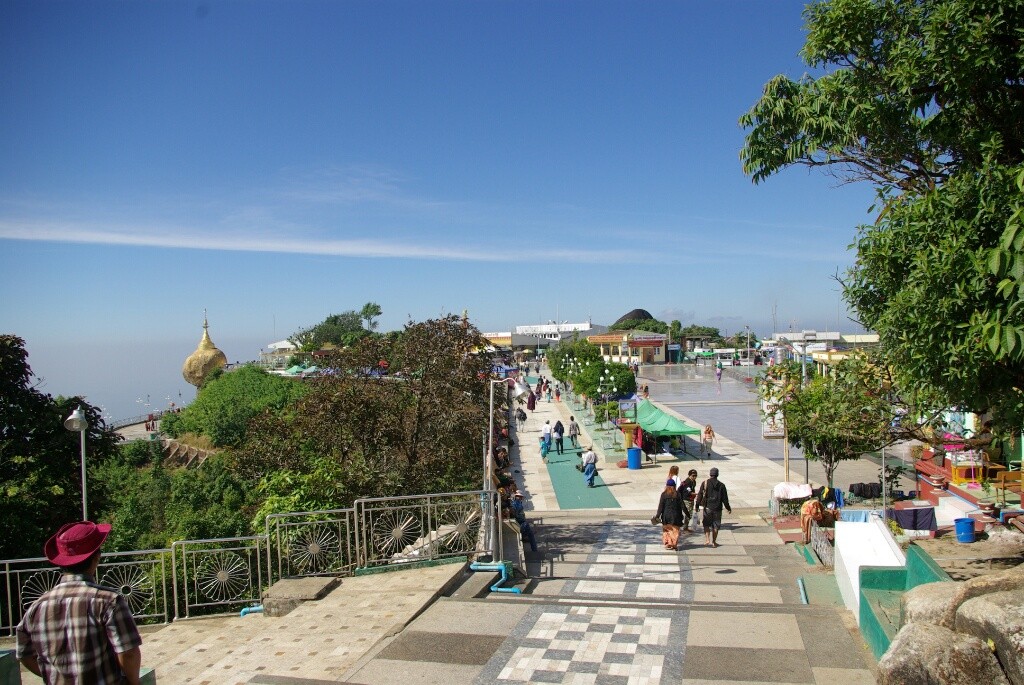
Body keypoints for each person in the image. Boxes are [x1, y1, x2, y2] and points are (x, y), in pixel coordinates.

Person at [17, 520, 143, 685]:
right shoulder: (108, 601)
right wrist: (134, 682)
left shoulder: (37, 607)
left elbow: (24, 655)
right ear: (96, 558)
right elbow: (128, 653)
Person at [694, 467, 732, 547]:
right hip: (717, 508)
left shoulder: (705, 483)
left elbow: (700, 495)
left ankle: (707, 539)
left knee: (706, 524)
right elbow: (725, 499)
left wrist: (697, 505)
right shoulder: (722, 485)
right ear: (717, 474)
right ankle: (714, 542)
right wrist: (728, 508)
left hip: (707, 507)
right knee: (716, 525)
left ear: (710, 474)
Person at [655, 480, 685, 550]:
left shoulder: (664, 494)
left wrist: (657, 516)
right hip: (676, 516)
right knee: (675, 530)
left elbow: (661, 507)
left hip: (666, 516)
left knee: (667, 530)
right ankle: (674, 544)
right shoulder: (677, 494)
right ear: (674, 486)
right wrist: (687, 514)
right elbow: (682, 506)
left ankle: (668, 543)